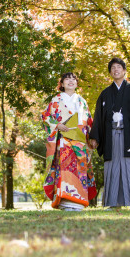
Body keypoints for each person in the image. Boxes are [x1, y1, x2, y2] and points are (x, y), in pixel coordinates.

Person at [89, 58, 130, 211]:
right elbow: (98, 116)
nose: (116, 70)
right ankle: (113, 202)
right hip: (111, 137)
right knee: (112, 167)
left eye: (119, 67)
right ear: (110, 72)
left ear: (125, 71)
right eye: (113, 68)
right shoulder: (105, 94)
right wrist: (95, 137)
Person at [42, 72, 97, 211]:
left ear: (77, 83)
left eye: (73, 79)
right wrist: (57, 125)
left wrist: (93, 138)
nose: (71, 81)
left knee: (80, 169)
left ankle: (79, 201)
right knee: (65, 169)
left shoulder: (82, 101)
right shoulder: (56, 100)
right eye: (67, 79)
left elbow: (89, 121)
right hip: (64, 141)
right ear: (61, 83)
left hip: (80, 141)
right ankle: (65, 201)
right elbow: (46, 117)